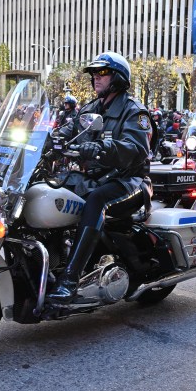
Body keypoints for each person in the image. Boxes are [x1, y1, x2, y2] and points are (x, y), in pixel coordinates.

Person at [47, 51, 151, 303]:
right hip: (94, 178)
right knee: (46, 191)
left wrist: (104, 148)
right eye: (94, 73)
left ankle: (69, 279)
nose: (96, 77)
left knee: (96, 200)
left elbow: (136, 149)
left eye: (102, 72)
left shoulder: (134, 111)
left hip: (129, 181)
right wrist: (42, 140)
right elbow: (67, 130)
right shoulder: (90, 109)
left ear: (117, 78)